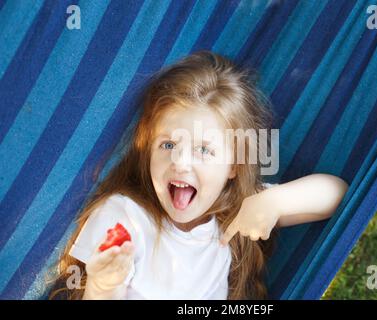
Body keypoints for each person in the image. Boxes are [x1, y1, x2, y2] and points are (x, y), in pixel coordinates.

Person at [49, 50, 348, 300]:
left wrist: (276, 202)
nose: (180, 162)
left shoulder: (236, 214)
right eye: (167, 144)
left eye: (204, 150)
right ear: (147, 150)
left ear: (234, 165)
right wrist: (103, 286)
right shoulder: (124, 216)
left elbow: (336, 194)